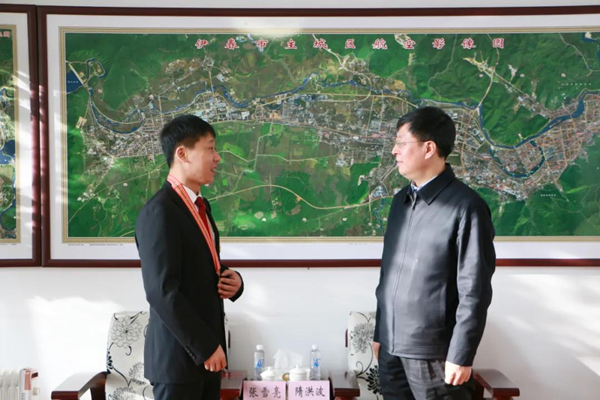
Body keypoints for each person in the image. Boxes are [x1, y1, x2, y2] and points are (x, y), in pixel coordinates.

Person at [373, 106, 496, 400]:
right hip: (391, 349)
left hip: (435, 354)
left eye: (401, 143)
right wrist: (380, 333)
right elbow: (389, 276)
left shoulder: (466, 207)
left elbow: (475, 290)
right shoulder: (400, 201)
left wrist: (461, 354)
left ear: (429, 148)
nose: (394, 150)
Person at [136, 114, 244, 400]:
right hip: (179, 362)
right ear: (182, 154)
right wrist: (204, 346)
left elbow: (200, 264)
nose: (217, 157)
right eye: (210, 148)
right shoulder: (160, 211)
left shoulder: (199, 206)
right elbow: (161, 290)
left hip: (206, 359)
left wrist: (234, 281)